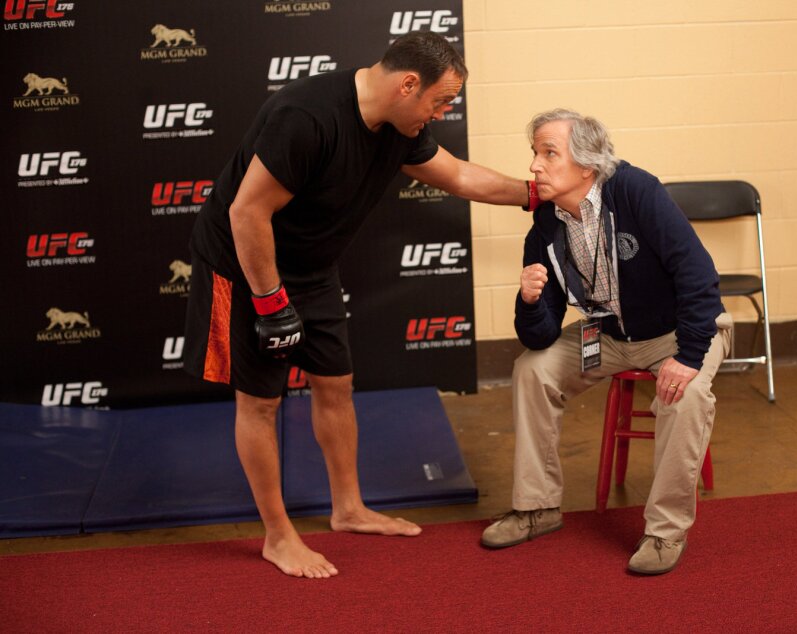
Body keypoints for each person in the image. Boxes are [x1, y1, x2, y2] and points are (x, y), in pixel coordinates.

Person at [183, 32, 533, 579]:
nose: (442, 113)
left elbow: (460, 175)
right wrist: (271, 303)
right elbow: (246, 213)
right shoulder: (306, 117)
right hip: (244, 263)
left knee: (335, 384)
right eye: (440, 101)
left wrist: (538, 195)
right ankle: (278, 537)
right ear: (408, 84)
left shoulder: (401, 127)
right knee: (259, 403)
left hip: (312, 266)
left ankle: (347, 508)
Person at [480, 109, 733, 575]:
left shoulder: (637, 191)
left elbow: (698, 275)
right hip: (609, 333)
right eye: (534, 153)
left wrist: (689, 356)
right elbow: (539, 336)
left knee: (687, 395)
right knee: (532, 369)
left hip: (679, 330)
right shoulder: (546, 222)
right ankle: (537, 507)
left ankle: (665, 532)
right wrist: (530, 301)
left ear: (586, 164)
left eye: (548, 153)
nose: (534, 166)